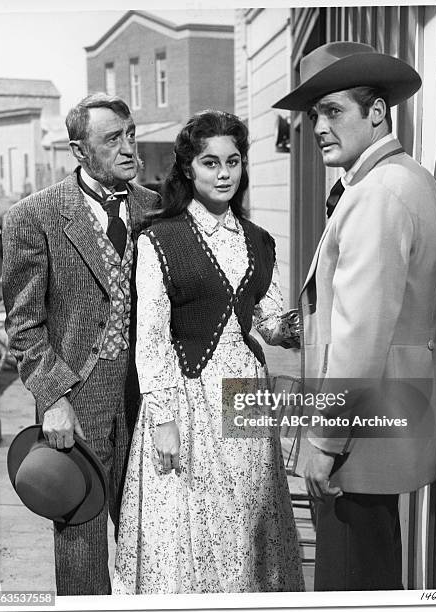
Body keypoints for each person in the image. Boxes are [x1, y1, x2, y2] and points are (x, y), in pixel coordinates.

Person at [273, 42, 436, 590]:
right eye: (315, 114)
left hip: (358, 439)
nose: (320, 126)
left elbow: (359, 336)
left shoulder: (379, 194)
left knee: (348, 583)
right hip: (381, 427)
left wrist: (324, 444)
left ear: (376, 113)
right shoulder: (401, 178)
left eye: (334, 111)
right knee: (370, 575)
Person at [112, 110, 304, 594]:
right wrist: (163, 420)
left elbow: (269, 319)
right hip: (187, 400)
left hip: (245, 397)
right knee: (189, 526)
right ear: (188, 169)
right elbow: (151, 338)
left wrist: (298, 326)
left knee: (248, 519)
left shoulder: (259, 240)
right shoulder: (160, 238)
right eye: (210, 162)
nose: (224, 174)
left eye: (233, 162)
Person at [1, 93, 161, 595]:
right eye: (112, 138)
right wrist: (53, 399)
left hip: (147, 398)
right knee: (81, 541)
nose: (128, 146)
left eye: (131, 133)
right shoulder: (35, 216)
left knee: (153, 538)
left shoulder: (156, 208)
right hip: (77, 400)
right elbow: (25, 324)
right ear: (78, 149)